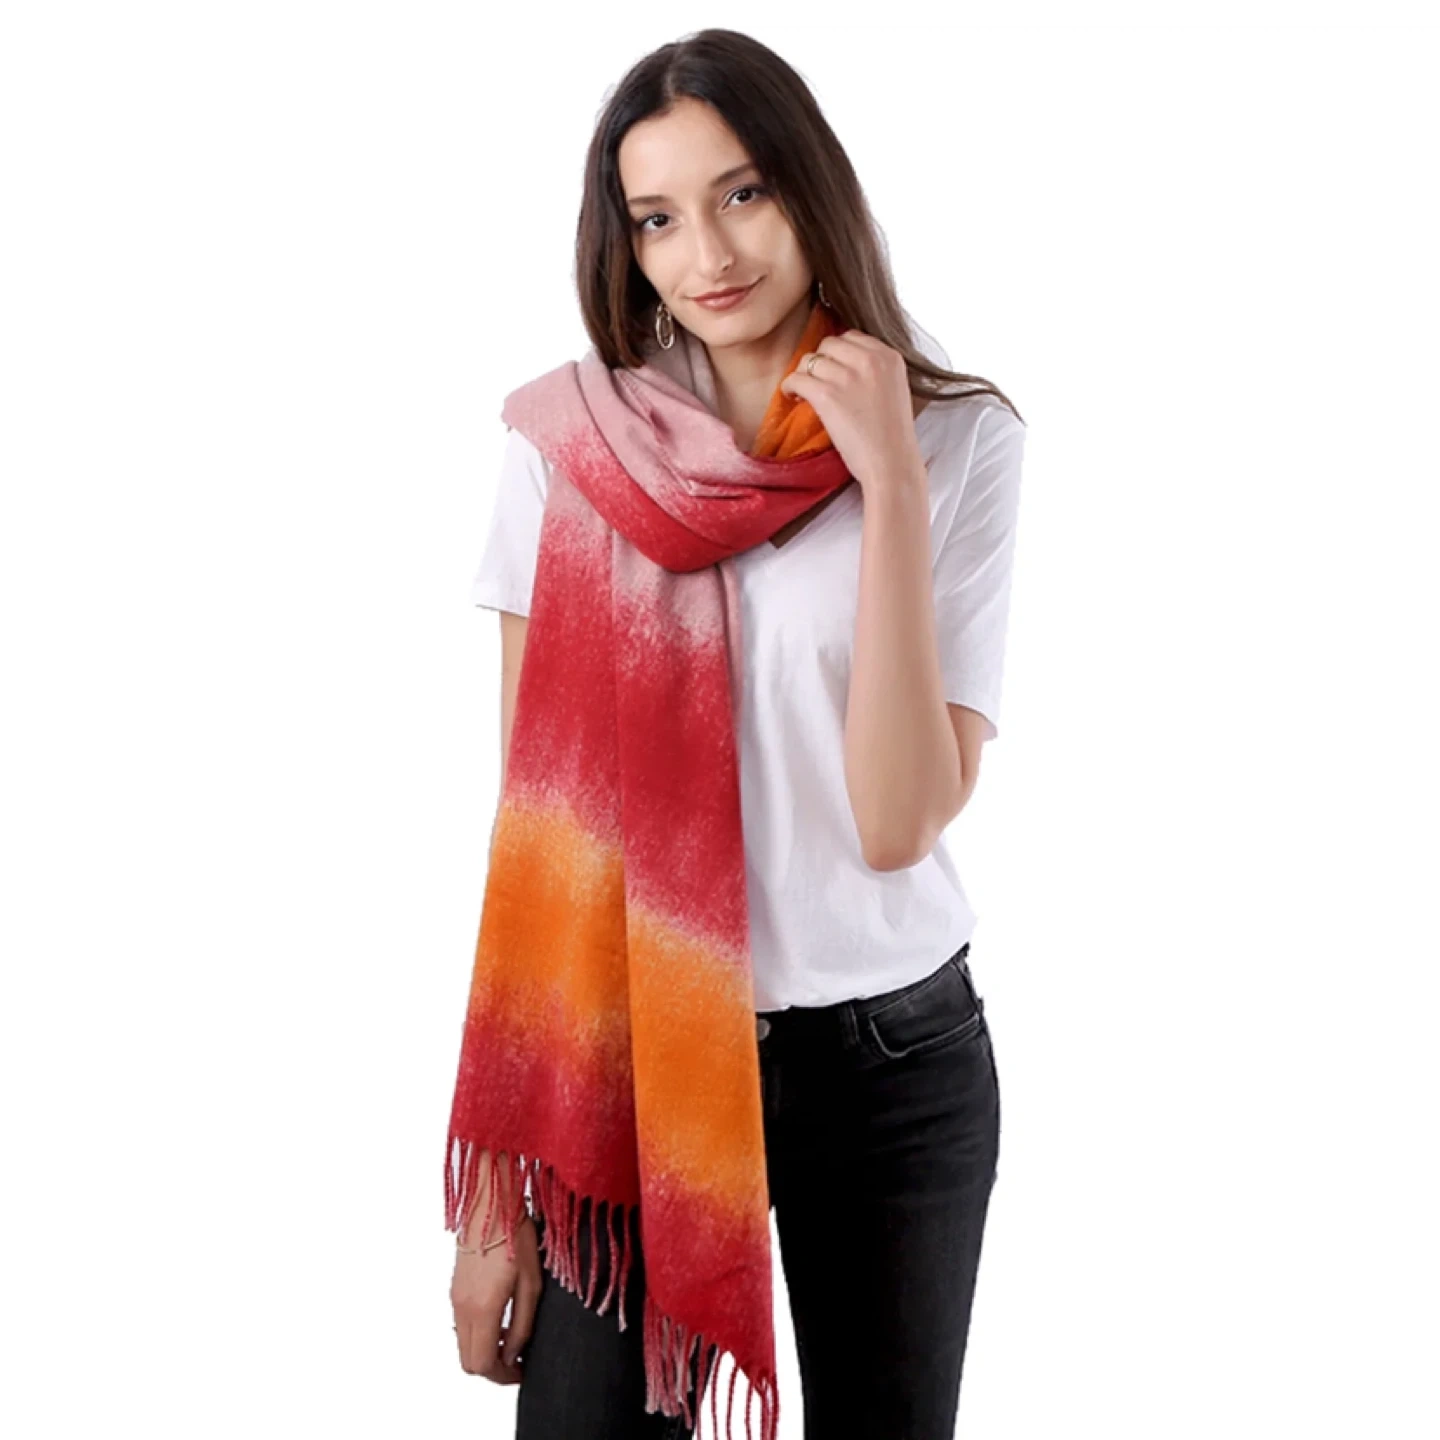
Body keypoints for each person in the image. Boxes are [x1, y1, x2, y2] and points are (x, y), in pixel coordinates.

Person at [447, 27, 1026, 1440]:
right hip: (634, 1055)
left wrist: (889, 485)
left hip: (892, 1064)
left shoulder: (956, 437)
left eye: (743, 193)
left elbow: (897, 820)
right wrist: (501, 1200)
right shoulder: (571, 446)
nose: (705, 253)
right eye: (656, 218)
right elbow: (541, 851)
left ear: (813, 188)